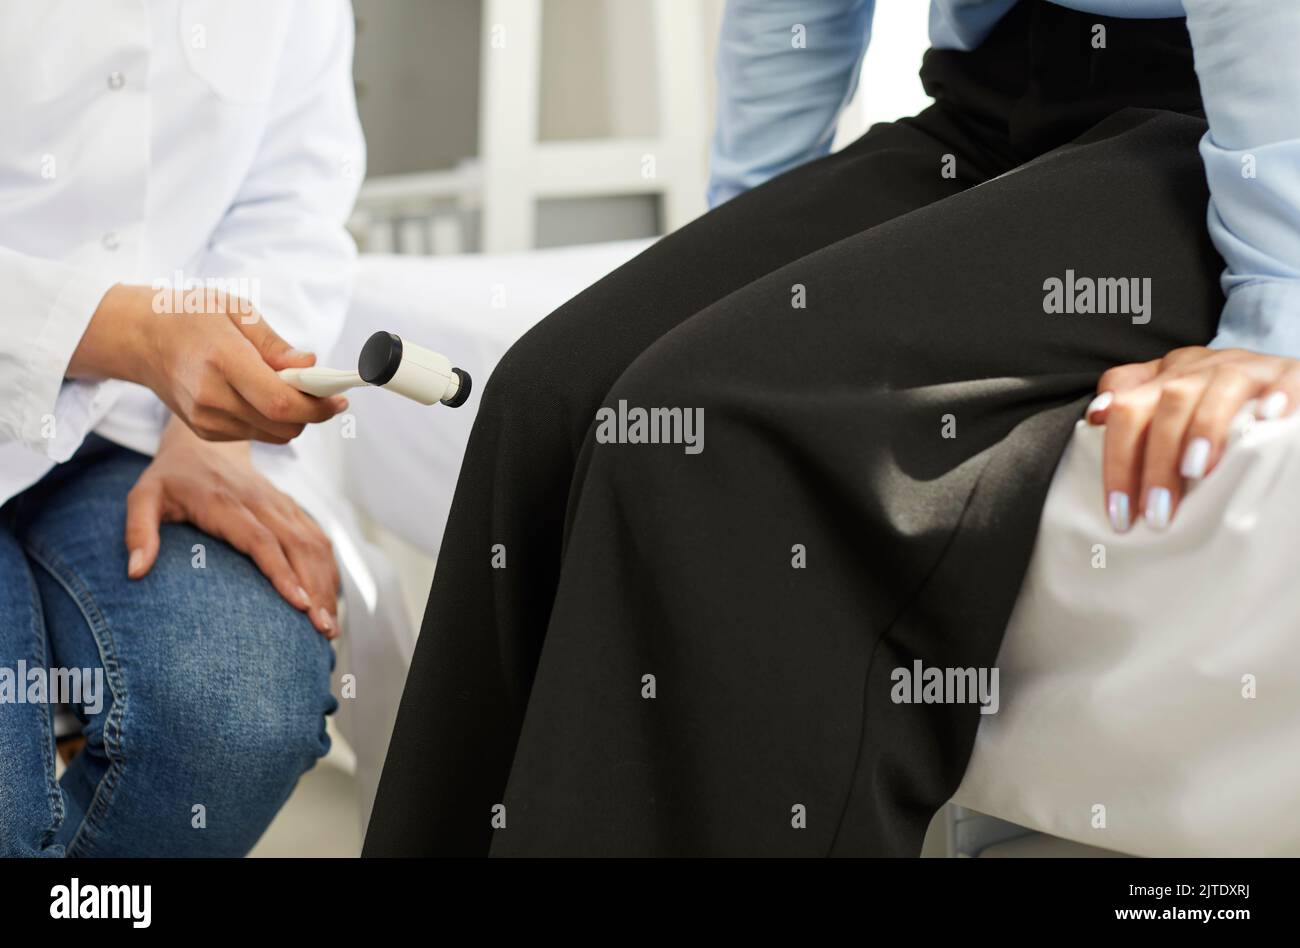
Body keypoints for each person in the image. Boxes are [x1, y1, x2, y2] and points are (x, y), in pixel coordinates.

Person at [366, 0, 1300, 856]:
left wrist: (1279, 308)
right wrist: (744, 259)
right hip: (988, 104)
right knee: (550, 394)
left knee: (713, 434)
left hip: (1226, 125)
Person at [0, 0, 363, 857]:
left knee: (235, 720)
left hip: (139, 431)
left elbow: (289, 203)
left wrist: (215, 427)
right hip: (118, 370)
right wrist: (124, 332)